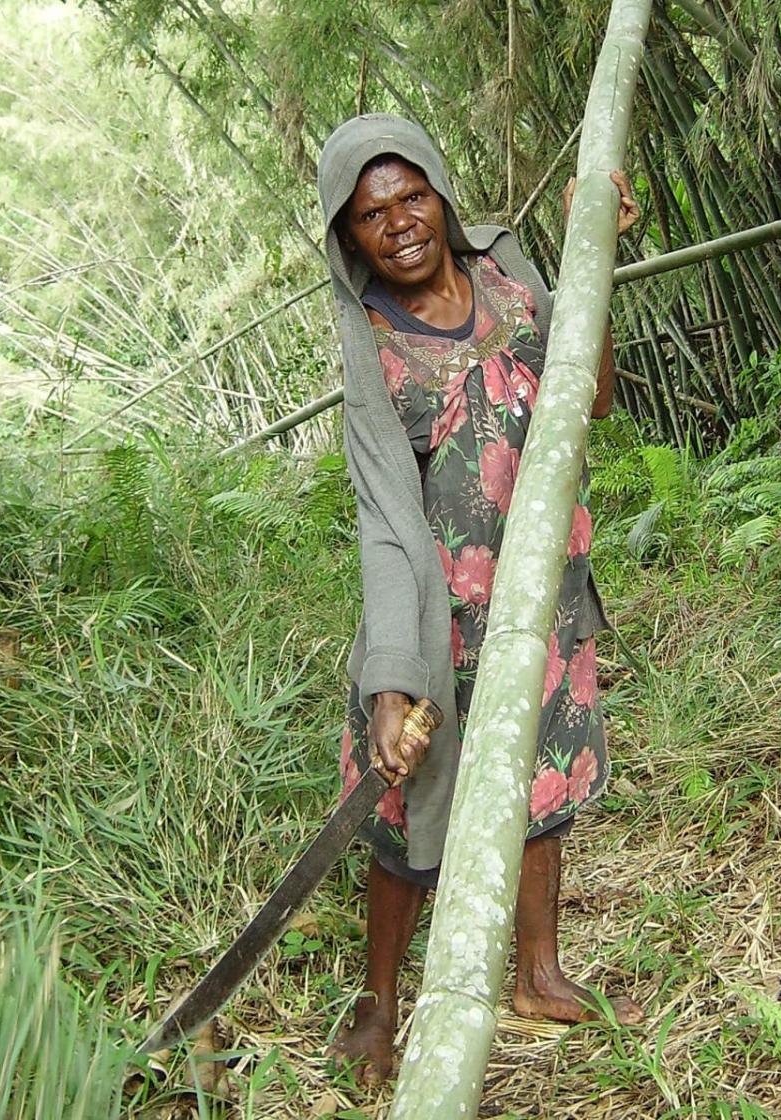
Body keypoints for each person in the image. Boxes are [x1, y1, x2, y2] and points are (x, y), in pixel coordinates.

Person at [316, 114, 644, 1085]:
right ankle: (380, 1004)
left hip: (541, 586)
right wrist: (390, 681)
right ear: (349, 236)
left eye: (411, 196)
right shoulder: (370, 346)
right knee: (411, 808)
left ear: (441, 191)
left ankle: (536, 972)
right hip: (442, 623)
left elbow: (591, 397)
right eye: (371, 214)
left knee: (540, 781)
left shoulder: (508, 271)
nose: (399, 224)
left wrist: (595, 260)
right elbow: (385, 522)